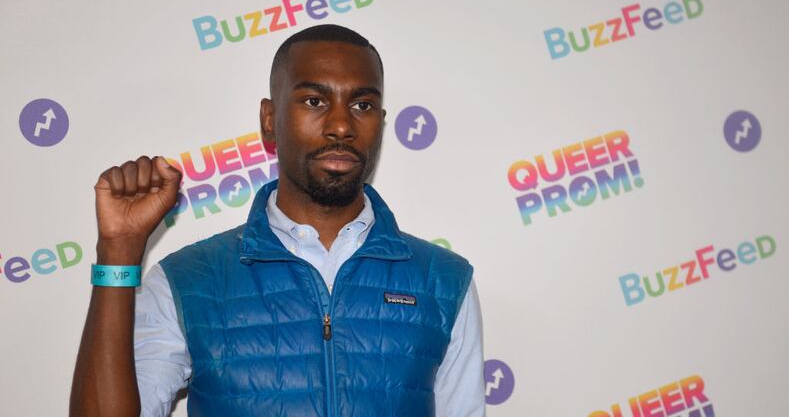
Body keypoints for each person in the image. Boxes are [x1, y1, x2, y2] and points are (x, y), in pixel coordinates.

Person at [70, 24, 485, 417]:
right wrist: (119, 251)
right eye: (314, 101)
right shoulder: (187, 282)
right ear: (269, 120)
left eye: (362, 105)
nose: (341, 125)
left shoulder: (444, 281)